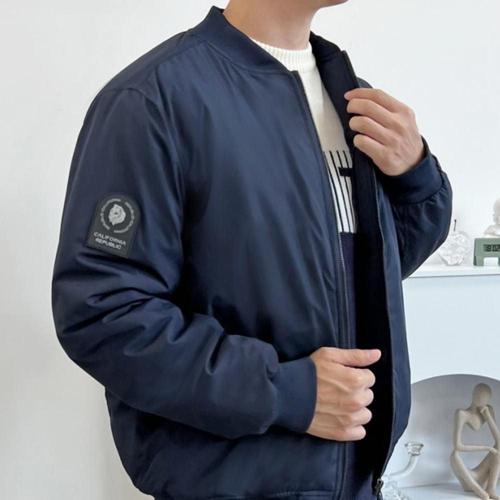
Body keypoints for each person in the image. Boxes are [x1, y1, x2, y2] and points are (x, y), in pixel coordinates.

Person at [51, 2, 453, 499]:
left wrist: (416, 175)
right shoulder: (153, 99)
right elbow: (103, 313)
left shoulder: (352, 100)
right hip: (231, 484)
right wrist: (286, 393)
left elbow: (366, 274)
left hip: (357, 482)